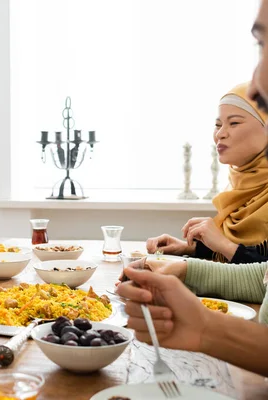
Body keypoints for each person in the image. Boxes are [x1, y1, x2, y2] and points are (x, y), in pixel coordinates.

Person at [117, 3, 268, 372]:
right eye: (259, 46)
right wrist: (187, 262)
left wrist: (207, 256)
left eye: (265, 46)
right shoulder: (238, 187)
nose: (255, 80)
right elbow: (263, 277)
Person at [147, 83, 268, 263]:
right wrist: (192, 247)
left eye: (234, 123)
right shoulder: (239, 186)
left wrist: (222, 244)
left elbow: (262, 273)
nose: (220, 133)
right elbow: (245, 254)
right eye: (218, 124)